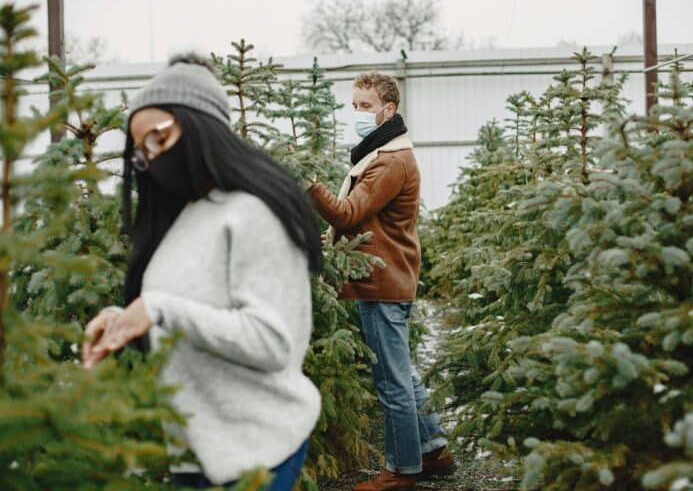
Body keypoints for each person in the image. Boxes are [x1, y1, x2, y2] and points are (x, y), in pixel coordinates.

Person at [81, 54, 322, 490]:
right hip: (195, 454)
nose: (151, 158)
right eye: (142, 152)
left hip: (257, 451)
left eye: (157, 139)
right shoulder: (186, 216)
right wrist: (124, 322)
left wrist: (158, 309)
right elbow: (184, 313)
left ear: (199, 126)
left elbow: (272, 342)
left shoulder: (252, 213)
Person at [305, 71, 454, 491]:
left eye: (365, 106)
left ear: (388, 110)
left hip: (382, 282)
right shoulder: (381, 153)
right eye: (354, 105)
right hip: (385, 276)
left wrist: (310, 185)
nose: (357, 113)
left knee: (392, 382)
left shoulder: (390, 162)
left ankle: (402, 470)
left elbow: (347, 213)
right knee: (402, 372)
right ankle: (433, 449)